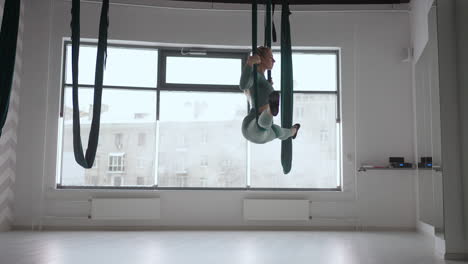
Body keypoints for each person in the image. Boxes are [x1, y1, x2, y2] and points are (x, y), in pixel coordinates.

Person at [239, 46, 300, 144]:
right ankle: (270, 111)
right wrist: (250, 62)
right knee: (262, 125)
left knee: (277, 131)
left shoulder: (263, 79)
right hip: (252, 125)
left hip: (265, 131)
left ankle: (293, 131)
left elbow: (260, 92)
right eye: (270, 57)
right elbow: (243, 85)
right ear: (261, 58)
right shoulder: (256, 76)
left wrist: (268, 85)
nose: (274, 60)